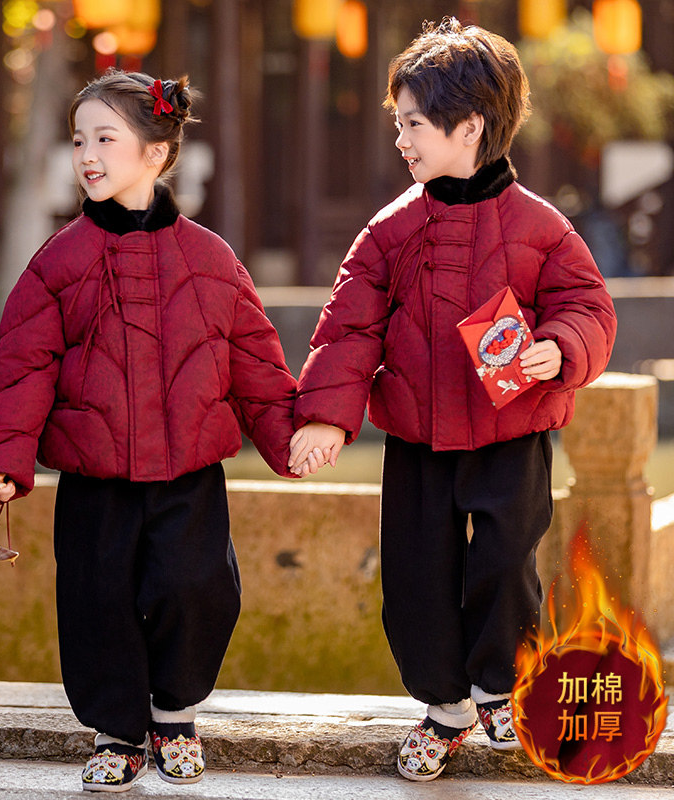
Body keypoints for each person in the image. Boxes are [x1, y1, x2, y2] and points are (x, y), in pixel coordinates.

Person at [0, 70, 321, 793]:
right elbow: (19, 370)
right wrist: (4, 457)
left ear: (157, 153)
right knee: (97, 600)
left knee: (198, 588)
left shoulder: (212, 260)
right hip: (95, 480)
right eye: (78, 140)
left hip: (189, 474)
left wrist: (294, 437)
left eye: (106, 138)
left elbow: (256, 365)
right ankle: (118, 731)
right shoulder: (57, 264)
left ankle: (174, 711)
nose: (87, 154)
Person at [288, 18, 617, 782]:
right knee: (413, 579)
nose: (401, 140)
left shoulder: (541, 226)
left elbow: (591, 308)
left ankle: (498, 683)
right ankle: (446, 707)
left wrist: (559, 347)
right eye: (398, 123)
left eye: (414, 124)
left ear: (469, 127)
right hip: (417, 438)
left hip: (512, 430)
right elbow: (348, 331)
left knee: (505, 562)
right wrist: (326, 417)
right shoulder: (389, 233)